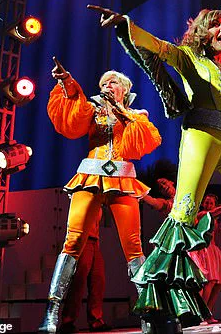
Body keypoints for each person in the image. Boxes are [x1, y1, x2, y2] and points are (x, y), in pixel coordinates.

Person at [88, 5, 221, 331]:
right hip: (201, 135)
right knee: (183, 213)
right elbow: (155, 46)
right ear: (202, 32)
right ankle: (160, 311)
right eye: (216, 25)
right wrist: (125, 25)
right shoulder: (188, 57)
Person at [39, 59, 162, 333]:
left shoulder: (136, 115)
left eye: (113, 82)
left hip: (123, 179)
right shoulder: (91, 110)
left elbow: (144, 142)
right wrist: (67, 82)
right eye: (104, 83)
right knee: (73, 240)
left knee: (134, 247)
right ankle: (51, 312)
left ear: (124, 89)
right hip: (90, 176)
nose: (107, 85)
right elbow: (72, 118)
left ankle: (148, 313)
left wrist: (121, 111)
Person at [59, 210, 111, 333]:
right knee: (79, 281)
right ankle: (67, 322)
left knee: (98, 281)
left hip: (94, 241)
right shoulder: (83, 199)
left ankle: (96, 320)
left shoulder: (99, 203)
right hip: (82, 239)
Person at [188, 194, 221, 324]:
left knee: (219, 283)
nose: (208, 205)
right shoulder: (202, 214)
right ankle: (202, 313)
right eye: (206, 202)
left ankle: (208, 312)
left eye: (211, 203)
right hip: (204, 250)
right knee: (209, 282)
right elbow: (211, 213)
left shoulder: (215, 218)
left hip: (213, 250)